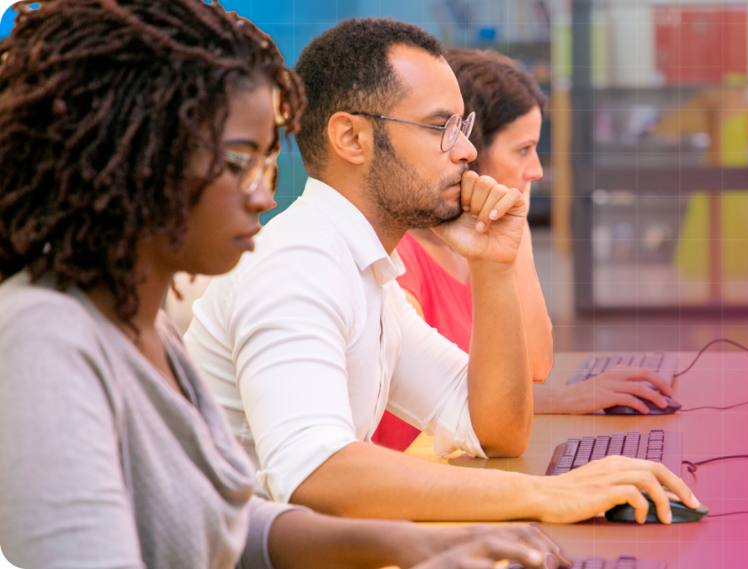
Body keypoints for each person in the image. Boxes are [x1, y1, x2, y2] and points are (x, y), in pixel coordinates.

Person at [0, 1, 565, 567]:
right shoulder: (47, 338)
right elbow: (314, 473)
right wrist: (542, 494)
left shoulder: (144, 329)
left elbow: (228, 524)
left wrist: (422, 544)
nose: (263, 195)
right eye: (240, 161)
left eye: (266, 163)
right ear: (143, 160)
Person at [184, 17, 701, 523]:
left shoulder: (367, 271)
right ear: (352, 139)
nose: (468, 151)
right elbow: (316, 476)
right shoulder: (298, 265)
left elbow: (496, 428)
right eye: (440, 128)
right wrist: (543, 494)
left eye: (462, 128)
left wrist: (493, 266)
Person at [371, 48, 678, 452]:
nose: (536, 170)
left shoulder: (472, 250)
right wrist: (570, 398)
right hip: (419, 477)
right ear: (470, 152)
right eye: (522, 150)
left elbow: (535, 365)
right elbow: (449, 412)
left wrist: (518, 236)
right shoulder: (402, 264)